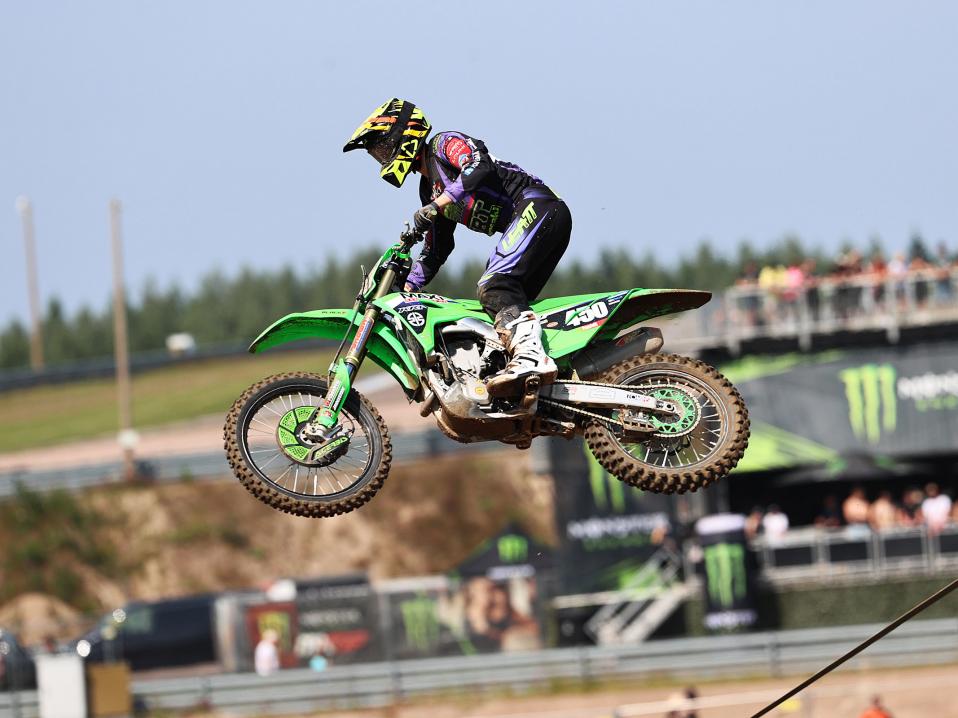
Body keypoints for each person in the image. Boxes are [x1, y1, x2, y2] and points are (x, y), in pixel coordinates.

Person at [343, 98, 572, 395]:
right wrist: (407, 289)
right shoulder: (428, 189)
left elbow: (479, 165)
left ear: (406, 134)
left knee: (494, 286)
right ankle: (555, 376)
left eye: (384, 148)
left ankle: (532, 360)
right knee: (501, 306)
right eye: (378, 154)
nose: (383, 158)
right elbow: (436, 250)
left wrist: (439, 204)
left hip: (539, 207)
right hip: (539, 222)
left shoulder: (443, 144)